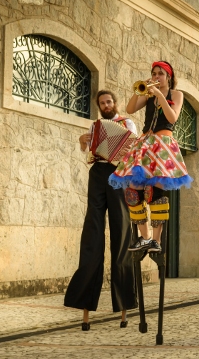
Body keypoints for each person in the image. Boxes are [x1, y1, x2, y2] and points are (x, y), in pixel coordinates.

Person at [64, 90, 138, 331]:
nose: (106, 105)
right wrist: (82, 142)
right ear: (99, 106)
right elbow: (88, 153)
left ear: (115, 103)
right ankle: (84, 306)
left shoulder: (127, 123)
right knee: (92, 235)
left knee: (121, 234)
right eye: (102, 103)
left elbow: (132, 151)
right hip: (97, 174)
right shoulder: (95, 126)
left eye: (109, 102)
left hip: (118, 176)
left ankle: (124, 306)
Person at [109, 61, 193, 253]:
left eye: (160, 74)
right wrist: (142, 91)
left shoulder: (176, 94)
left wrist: (160, 96)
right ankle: (145, 237)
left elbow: (172, 118)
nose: (156, 77)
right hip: (145, 142)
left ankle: (156, 240)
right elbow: (130, 109)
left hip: (163, 142)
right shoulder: (148, 94)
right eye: (154, 73)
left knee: (157, 189)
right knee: (132, 190)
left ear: (168, 77)